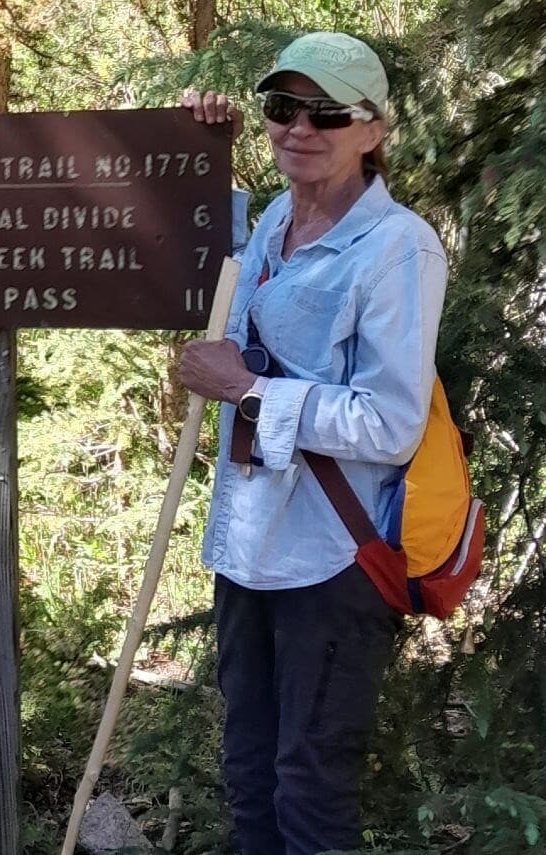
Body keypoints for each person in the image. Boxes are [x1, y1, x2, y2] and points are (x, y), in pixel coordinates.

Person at [178, 32, 447, 855]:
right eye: (281, 108)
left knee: (312, 788)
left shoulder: (398, 247)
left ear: (372, 130)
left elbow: (392, 423)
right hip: (248, 544)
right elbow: (217, 275)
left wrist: (252, 391)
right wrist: (201, 153)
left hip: (331, 559)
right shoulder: (273, 225)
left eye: (327, 111)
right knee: (250, 771)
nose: (300, 127)